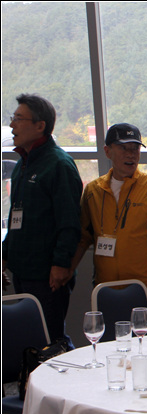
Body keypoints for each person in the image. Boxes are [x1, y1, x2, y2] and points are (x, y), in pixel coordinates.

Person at [69, 123, 147, 323]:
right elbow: (83, 236)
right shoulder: (93, 191)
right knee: (109, 340)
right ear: (107, 151)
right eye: (123, 148)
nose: (131, 155)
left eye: (135, 148)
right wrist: (68, 269)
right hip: (105, 286)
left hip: (144, 286)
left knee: (144, 340)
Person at [2, 93, 83, 347]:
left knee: (51, 341)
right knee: (31, 340)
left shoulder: (58, 164)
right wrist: (4, 257)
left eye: (18, 119)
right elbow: (16, 220)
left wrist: (61, 264)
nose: (12, 125)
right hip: (22, 271)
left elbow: (70, 221)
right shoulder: (22, 165)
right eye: (13, 118)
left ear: (40, 126)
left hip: (47, 275)